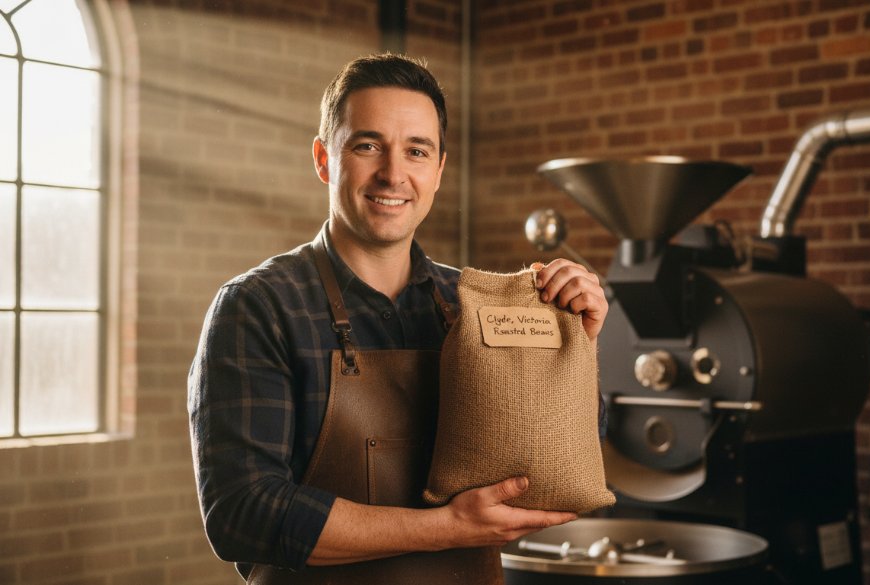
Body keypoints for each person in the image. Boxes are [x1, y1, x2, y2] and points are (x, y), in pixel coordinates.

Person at [187, 53, 610, 584]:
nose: (394, 174)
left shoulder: (475, 303)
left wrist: (575, 349)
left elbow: (553, 460)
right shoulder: (260, 307)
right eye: (368, 146)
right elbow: (244, 513)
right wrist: (448, 528)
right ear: (323, 159)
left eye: (416, 150)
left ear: (438, 171)